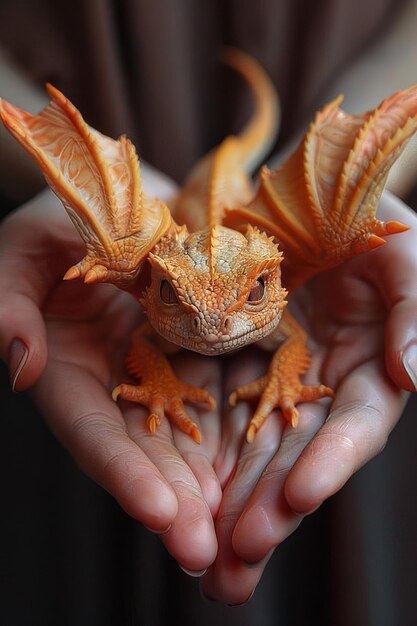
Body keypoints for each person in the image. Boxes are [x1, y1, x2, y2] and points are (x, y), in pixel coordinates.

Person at [0, 0, 416, 622]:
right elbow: (147, 345)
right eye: (180, 306)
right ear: (155, 286)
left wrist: (283, 378)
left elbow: (289, 339)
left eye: (247, 302)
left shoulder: (272, 293)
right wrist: (160, 383)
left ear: (272, 282)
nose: (211, 328)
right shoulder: (156, 287)